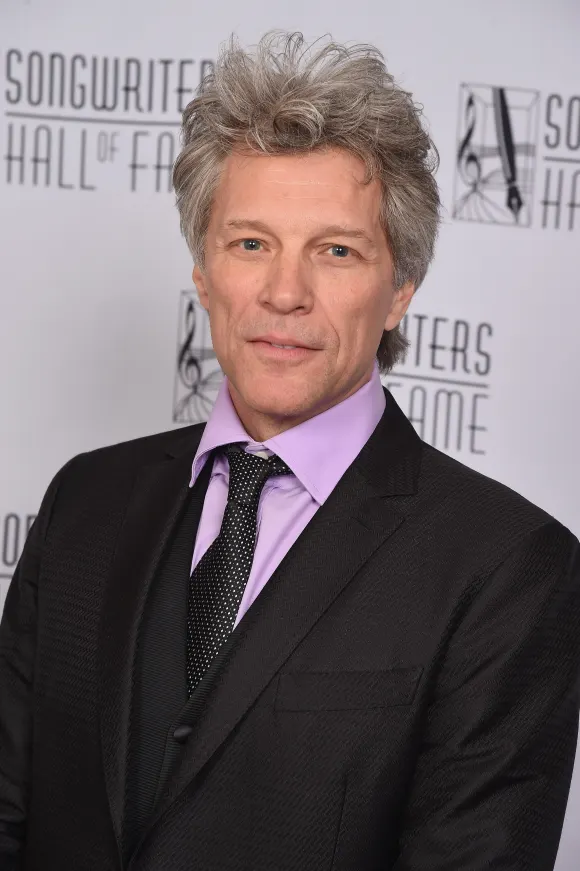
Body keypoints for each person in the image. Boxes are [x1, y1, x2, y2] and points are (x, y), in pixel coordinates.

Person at [1, 30, 579, 871]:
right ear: (204, 272)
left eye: (336, 251)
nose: (284, 292)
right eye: (251, 243)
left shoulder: (507, 569)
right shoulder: (85, 499)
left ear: (400, 290)